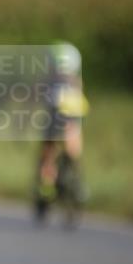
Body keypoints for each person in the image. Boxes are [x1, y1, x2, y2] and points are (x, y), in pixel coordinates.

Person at [35, 41, 88, 214]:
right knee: (74, 151)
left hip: (55, 122)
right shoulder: (76, 80)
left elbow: (40, 99)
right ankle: (77, 184)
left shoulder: (50, 80)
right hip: (72, 123)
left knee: (48, 156)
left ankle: (46, 190)